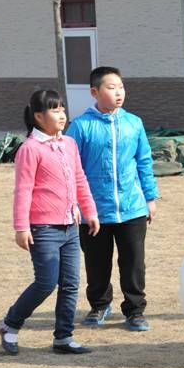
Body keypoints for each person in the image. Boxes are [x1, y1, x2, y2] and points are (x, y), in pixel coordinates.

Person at [0, 89, 100, 356]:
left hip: (70, 224)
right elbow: (23, 190)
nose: (62, 115)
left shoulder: (69, 144)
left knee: (70, 284)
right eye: (55, 110)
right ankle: (10, 325)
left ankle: (63, 337)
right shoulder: (30, 149)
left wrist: (90, 211)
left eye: (63, 108)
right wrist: (20, 228)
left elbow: (80, 179)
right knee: (46, 282)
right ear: (38, 116)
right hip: (42, 228)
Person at [66, 66, 159, 331]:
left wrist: (150, 198)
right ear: (94, 92)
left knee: (133, 263)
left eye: (121, 87)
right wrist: (75, 204)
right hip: (93, 211)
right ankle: (99, 305)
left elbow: (143, 162)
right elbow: (72, 168)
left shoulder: (134, 123)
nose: (118, 92)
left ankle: (135, 311)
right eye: (111, 87)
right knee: (97, 263)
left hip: (132, 208)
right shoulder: (81, 126)